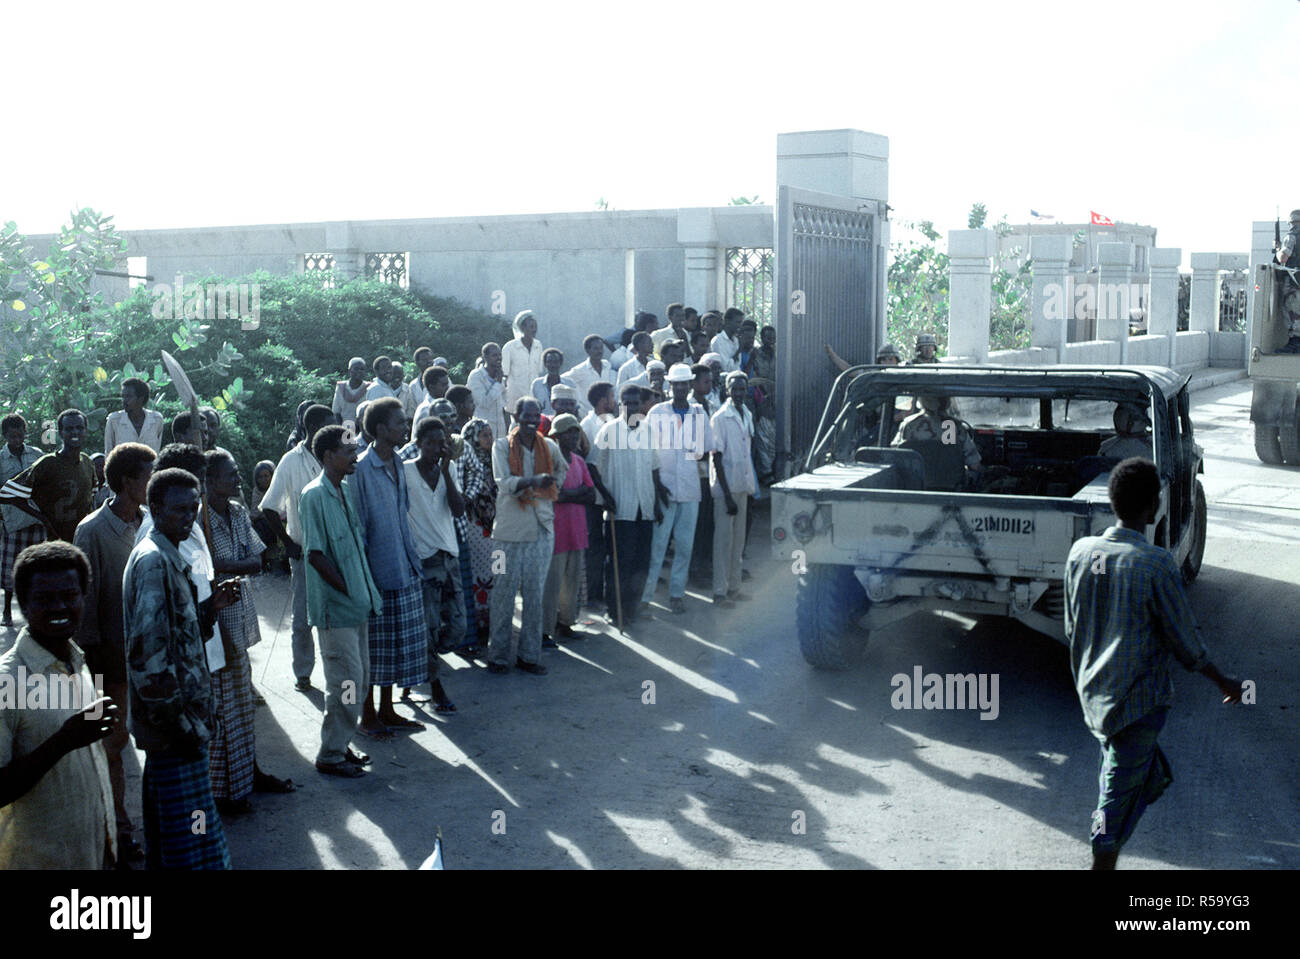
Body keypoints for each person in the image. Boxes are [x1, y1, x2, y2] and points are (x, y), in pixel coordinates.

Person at [1064, 457, 1244, 870]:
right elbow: (1186, 642)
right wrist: (1223, 681)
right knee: (1117, 792)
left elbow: (1073, 626)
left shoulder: (1080, 553)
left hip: (1094, 696)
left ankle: (1107, 839)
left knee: (1129, 775)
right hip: (1139, 702)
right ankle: (1103, 855)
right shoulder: (1156, 564)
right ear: (1153, 507)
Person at [123, 467, 235, 869]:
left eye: (193, 509)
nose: (188, 518)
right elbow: (148, 660)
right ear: (154, 508)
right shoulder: (154, 562)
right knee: (193, 841)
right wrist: (183, 728)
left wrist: (208, 609)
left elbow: (174, 634)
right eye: (178, 510)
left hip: (175, 728)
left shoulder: (168, 554)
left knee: (169, 835)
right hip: (174, 731)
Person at [0, 541, 118, 869]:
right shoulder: (6, 682)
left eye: (69, 596)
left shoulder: (79, 660)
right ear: (22, 603)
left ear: (84, 596)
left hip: (91, 853)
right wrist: (64, 741)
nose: (59, 608)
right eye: (44, 599)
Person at [73, 441, 155, 862]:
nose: (153, 483)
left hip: (147, 657)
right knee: (111, 746)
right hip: (108, 658)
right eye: (148, 476)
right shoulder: (91, 530)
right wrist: (96, 667)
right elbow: (84, 609)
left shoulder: (148, 523)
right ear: (128, 482)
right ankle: (116, 829)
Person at [204, 450, 294, 815]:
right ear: (209, 480)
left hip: (240, 614)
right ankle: (222, 791)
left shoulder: (239, 512)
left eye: (237, 473)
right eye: (230, 475)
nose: (237, 479)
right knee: (219, 708)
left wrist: (225, 565)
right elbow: (205, 570)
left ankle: (248, 774)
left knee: (241, 704)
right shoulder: (198, 518)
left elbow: (257, 561)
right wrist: (226, 567)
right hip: (214, 621)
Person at [299, 425, 382, 778]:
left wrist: (360, 592)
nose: (355, 456)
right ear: (328, 456)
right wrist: (347, 589)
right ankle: (330, 755)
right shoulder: (313, 496)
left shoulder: (343, 489)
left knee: (357, 681)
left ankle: (340, 743)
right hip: (336, 610)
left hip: (359, 604)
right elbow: (316, 555)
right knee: (345, 683)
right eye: (348, 451)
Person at [351, 397, 427, 736]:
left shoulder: (399, 462)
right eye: (398, 422)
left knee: (394, 646)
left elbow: (403, 512)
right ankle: (367, 716)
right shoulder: (361, 469)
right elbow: (359, 529)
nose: (404, 427)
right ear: (380, 429)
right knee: (372, 649)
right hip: (377, 573)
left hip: (404, 565)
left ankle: (387, 709)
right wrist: (365, 579)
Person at [486, 398, 566, 674]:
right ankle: (497, 656)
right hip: (507, 531)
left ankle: (529, 656)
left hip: (541, 528)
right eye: (526, 415)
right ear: (516, 417)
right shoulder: (501, 446)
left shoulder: (549, 446)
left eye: (536, 415)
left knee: (534, 595)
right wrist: (533, 482)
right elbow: (504, 483)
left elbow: (562, 470)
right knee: (502, 594)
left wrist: (550, 488)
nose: (532, 420)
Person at [261, 403, 334, 691]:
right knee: (303, 618)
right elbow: (268, 506)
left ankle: (336, 673)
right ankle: (303, 673)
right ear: (312, 428)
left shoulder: (335, 455)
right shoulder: (291, 461)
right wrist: (288, 543)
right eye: (327, 425)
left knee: (335, 617)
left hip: (336, 551)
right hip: (304, 553)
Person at [641, 364, 712, 614]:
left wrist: (689, 456)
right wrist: (658, 484)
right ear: (669, 386)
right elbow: (648, 451)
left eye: (684, 383)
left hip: (690, 488)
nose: (680, 388)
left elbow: (705, 451)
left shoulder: (699, 412)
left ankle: (677, 594)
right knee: (658, 545)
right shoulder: (657, 412)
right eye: (676, 384)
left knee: (684, 545)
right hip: (664, 487)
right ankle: (646, 597)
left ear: (690, 385)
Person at [403, 417, 464, 711]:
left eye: (442, 443)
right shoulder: (404, 473)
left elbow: (459, 509)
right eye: (431, 443)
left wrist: (446, 473)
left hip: (449, 556)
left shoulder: (448, 469)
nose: (437, 448)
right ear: (418, 444)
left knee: (457, 627)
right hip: (424, 560)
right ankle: (436, 686)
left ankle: (419, 661)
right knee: (428, 627)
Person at [589, 385, 659, 628]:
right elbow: (593, 467)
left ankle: (632, 608)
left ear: (642, 405)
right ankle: (615, 609)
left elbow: (654, 468)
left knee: (641, 563)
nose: (631, 407)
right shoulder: (609, 430)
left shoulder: (649, 430)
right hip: (621, 509)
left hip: (645, 506)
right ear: (620, 404)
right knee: (620, 563)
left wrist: (657, 502)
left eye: (636, 402)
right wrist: (606, 496)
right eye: (626, 402)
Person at [0, 409, 96, 543]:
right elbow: (7, 494)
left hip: (80, 537)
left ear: (86, 430)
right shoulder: (47, 463)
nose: (75, 432)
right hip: (47, 537)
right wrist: (43, 519)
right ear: (61, 433)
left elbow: (91, 500)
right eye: (69, 429)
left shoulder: (87, 463)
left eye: (79, 428)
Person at [543, 414, 595, 646]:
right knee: (552, 584)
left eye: (576, 432)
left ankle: (566, 623)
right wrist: (577, 493)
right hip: (555, 532)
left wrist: (569, 495)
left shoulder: (579, 461)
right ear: (557, 436)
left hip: (577, 530)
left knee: (571, 583)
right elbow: (552, 496)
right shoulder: (550, 462)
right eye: (568, 432)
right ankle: (545, 630)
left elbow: (591, 494)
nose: (574, 436)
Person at [711, 372, 757, 606]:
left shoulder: (746, 413)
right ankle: (719, 592)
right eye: (735, 389)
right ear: (727, 390)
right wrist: (727, 495)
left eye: (742, 389)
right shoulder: (720, 417)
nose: (739, 393)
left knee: (738, 541)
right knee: (723, 542)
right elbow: (716, 457)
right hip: (726, 489)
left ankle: (734, 587)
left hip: (742, 485)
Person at [455, 418, 497, 642]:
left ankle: (495, 620)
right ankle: (479, 624)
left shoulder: (495, 460)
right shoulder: (466, 461)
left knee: (496, 572)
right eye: (484, 435)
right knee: (479, 575)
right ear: (472, 438)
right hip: (475, 526)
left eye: (490, 435)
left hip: (495, 526)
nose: (489, 439)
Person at [1, 415, 45, 627]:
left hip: (37, 519)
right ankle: (7, 611)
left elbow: (46, 484)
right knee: (11, 566)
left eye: (20, 435)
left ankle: (33, 610)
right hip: (13, 521)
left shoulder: (37, 455)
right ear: (5, 436)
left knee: (36, 566)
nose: (16, 439)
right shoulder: (1, 459)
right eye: (12, 436)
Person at [891, 395, 982, 485]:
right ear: (947, 401)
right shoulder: (956, 426)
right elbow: (974, 465)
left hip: (914, 487)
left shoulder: (908, 425)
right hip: (951, 489)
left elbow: (893, 455)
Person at [749, 326, 779, 485]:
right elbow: (755, 377)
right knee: (763, 437)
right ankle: (765, 472)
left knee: (773, 436)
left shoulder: (779, 354)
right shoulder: (756, 355)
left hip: (777, 399)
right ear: (762, 338)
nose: (771, 340)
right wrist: (763, 396)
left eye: (773, 337)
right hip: (761, 398)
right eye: (768, 337)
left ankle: (773, 469)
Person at [105, 377, 165, 453]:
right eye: (123, 396)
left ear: (141, 399)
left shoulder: (156, 420)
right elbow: (108, 452)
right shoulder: (114, 420)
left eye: (129, 396)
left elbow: (156, 453)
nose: (124, 401)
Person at [502, 310, 545, 413]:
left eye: (535, 326)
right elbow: (504, 375)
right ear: (522, 328)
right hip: (515, 398)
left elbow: (539, 371)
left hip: (533, 397)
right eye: (531, 327)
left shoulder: (538, 345)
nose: (534, 329)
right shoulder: (510, 347)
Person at [565, 335, 616, 416]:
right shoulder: (579, 370)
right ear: (588, 350)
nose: (599, 351)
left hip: (607, 415)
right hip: (587, 415)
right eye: (595, 348)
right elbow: (562, 381)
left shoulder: (607, 366)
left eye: (601, 348)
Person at [468, 342, 508, 439]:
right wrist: (497, 384)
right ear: (485, 357)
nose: (498, 358)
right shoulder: (476, 376)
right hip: (483, 432)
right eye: (494, 355)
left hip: (500, 431)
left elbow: (504, 404)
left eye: (499, 355)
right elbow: (483, 402)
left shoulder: (500, 377)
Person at [530, 348, 577, 416]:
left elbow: (575, 406)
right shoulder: (537, 384)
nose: (553, 365)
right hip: (542, 423)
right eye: (549, 361)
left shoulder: (569, 384)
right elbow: (532, 407)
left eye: (556, 362)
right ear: (545, 364)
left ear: (560, 363)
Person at [333, 358, 370, 427]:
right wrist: (341, 429)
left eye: (362, 369)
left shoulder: (369, 388)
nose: (359, 371)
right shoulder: (341, 387)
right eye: (356, 369)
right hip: (343, 427)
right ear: (349, 371)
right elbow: (336, 412)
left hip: (362, 429)